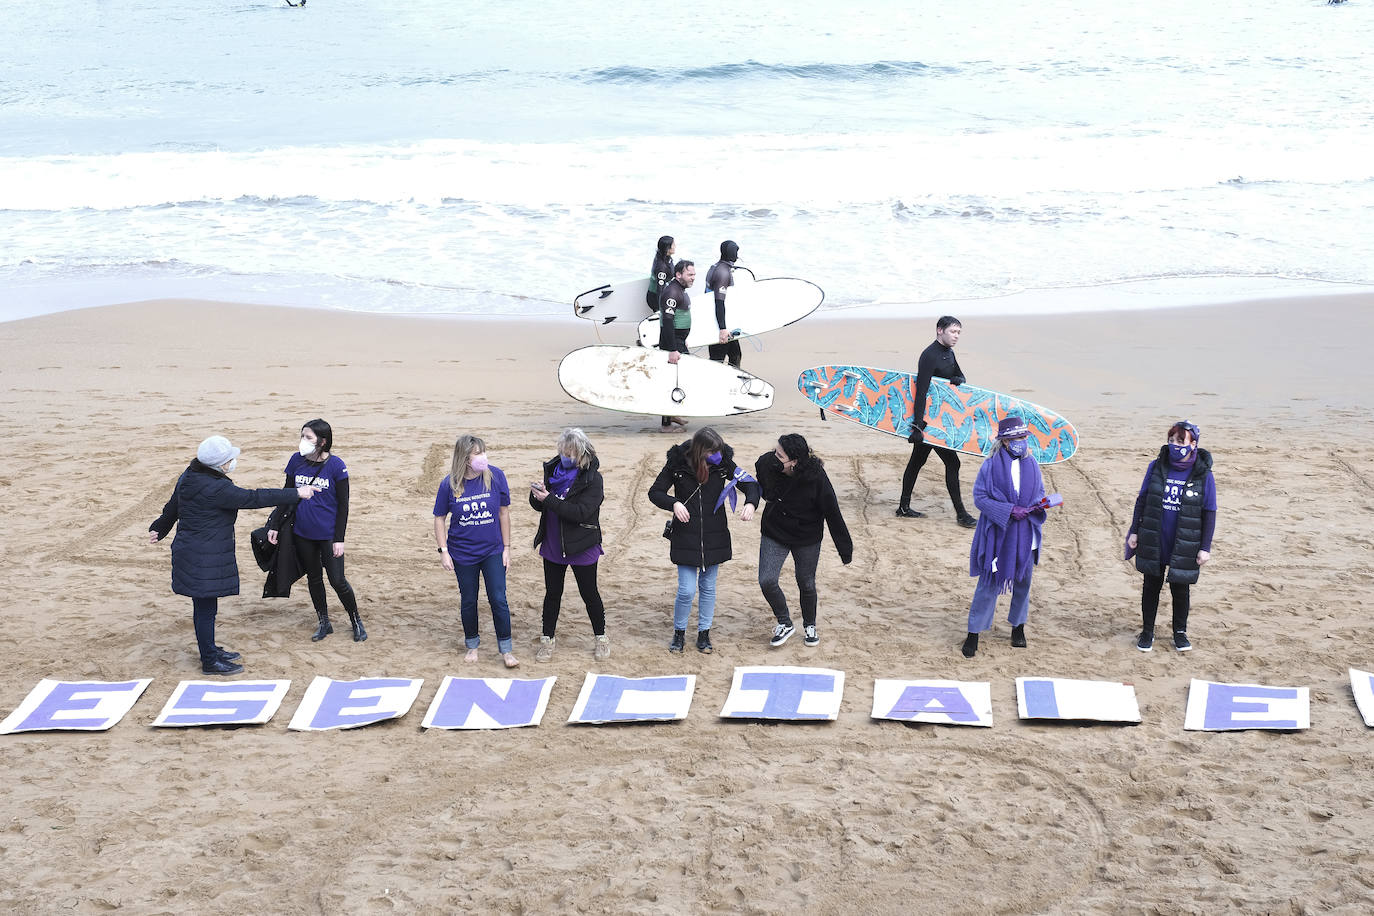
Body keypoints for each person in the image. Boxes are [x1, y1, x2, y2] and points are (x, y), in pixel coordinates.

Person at [148, 435, 317, 675]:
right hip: (203, 555)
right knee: (206, 609)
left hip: (193, 550)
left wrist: (159, 527)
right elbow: (254, 498)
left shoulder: (190, 475)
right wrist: (296, 494)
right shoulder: (217, 488)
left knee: (206, 607)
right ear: (218, 464)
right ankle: (209, 661)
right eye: (229, 459)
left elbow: (173, 505)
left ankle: (210, 650)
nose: (232, 462)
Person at [648, 426, 759, 653]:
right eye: (711, 452)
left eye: (718, 451)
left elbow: (750, 484)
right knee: (687, 590)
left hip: (714, 536)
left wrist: (750, 503)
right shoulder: (677, 464)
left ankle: (704, 634)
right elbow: (655, 492)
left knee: (708, 587)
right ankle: (679, 633)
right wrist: (674, 503)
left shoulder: (723, 463)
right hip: (685, 537)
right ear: (700, 451)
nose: (716, 456)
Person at [266, 419, 365, 643]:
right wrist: (274, 525)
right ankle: (324, 622)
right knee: (314, 578)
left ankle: (356, 620)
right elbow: (286, 493)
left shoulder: (336, 466)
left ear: (322, 441)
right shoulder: (296, 461)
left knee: (337, 580)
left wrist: (339, 539)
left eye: (308, 437)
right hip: (303, 533)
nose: (303, 441)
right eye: (302, 436)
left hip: (328, 535)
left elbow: (344, 505)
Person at [1125, 420, 1217, 652]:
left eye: (1180, 441)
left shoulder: (1204, 475)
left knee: (1180, 588)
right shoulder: (1156, 467)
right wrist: (1134, 531)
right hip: (1154, 535)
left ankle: (1180, 633)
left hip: (1185, 540)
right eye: (1171, 440)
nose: (1174, 445)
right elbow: (1142, 500)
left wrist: (1205, 547)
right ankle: (1147, 632)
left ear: (1193, 444)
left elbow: (1209, 512)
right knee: (1151, 586)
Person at [754, 433, 853, 648]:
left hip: (806, 536)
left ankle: (810, 624)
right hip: (775, 531)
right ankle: (785, 622)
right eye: (775, 451)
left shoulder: (816, 477)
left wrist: (845, 549)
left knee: (806, 582)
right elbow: (761, 473)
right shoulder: (767, 462)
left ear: (795, 461)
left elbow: (832, 512)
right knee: (767, 581)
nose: (774, 457)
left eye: (780, 456)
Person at [961, 417, 1046, 658]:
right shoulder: (989, 466)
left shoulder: (1033, 464)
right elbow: (980, 498)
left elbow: (1039, 492)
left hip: (1026, 533)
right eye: (1018, 438)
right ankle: (974, 632)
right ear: (1006, 441)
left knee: (1023, 582)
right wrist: (1009, 510)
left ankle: (1018, 627)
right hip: (998, 535)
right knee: (988, 584)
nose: (1022, 442)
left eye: (1024, 437)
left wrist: (1039, 505)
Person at [433, 434, 519, 668]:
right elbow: (439, 518)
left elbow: (504, 512)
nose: (483, 457)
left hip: (493, 550)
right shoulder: (449, 484)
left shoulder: (496, 476)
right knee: (469, 600)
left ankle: (506, 650)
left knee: (498, 599)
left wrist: (507, 548)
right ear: (465, 458)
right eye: (478, 453)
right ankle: (472, 645)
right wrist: (444, 551)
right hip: (462, 553)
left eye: (484, 452)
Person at [529, 427, 609, 661]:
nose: (566, 457)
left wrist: (549, 499)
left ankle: (601, 638)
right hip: (554, 543)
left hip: (582, 544)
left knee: (589, 593)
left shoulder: (593, 479)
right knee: (552, 594)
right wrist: (537, 497)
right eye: (563, 451)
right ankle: (547, 640)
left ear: (582, 453)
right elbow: (543, 506)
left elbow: (581, 513)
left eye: (571, 453)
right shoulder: (552, 470)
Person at [899, 315, 977, 528]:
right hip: (927, 422)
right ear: (939, 330)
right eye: (953, 331)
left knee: (917, 462)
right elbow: (921, 391)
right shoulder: (929, 355)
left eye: (959, 332)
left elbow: (959, 374)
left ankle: (903, 507)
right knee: (953, 462)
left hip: (940, 418)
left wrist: (958, 379)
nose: (956, 336)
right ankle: (961, 514)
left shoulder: (948, 353)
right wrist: (917, 425)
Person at [656, 259, 696, 433]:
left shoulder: (680, 289)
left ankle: (671, 414)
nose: (693, 277)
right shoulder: (672, 292)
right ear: (678, 274)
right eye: (690, 274)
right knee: (671, 381)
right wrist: (673, 348)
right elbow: (667, 321)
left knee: (679, 378)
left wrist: (682, 338)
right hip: (672, 341)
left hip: (677, 339)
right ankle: (666, 425)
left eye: (694, 274)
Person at [705, 240, 742, 368]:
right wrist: (722, 329)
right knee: (717, 361)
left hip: (724, 320)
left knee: (735, 354)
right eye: (736, 252)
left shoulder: (717, 266)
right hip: (719, 323)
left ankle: (735, 385)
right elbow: (718, 302)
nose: (737, 255)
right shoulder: (723, 273)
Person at [646, 235, 675, 311]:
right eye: (673, 245)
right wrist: (661, 308)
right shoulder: (661, 267)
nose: (675, 246)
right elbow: (660, 289)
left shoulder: (665, 257)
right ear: (667, 248)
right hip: (656, 297)